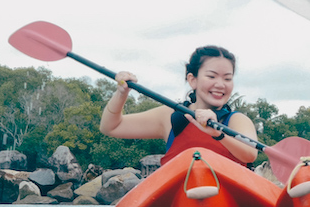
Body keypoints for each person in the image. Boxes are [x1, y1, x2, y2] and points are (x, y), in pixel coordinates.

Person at [100, 45, 258, 166]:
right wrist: (121, 94)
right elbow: (111, 127)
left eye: (227, 78)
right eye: (211, 76)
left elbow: (250, 155)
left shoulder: (237, 120)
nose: (220, 84)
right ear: (192, 79)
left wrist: (218, 134)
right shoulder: (170, 116)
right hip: (181, 198)